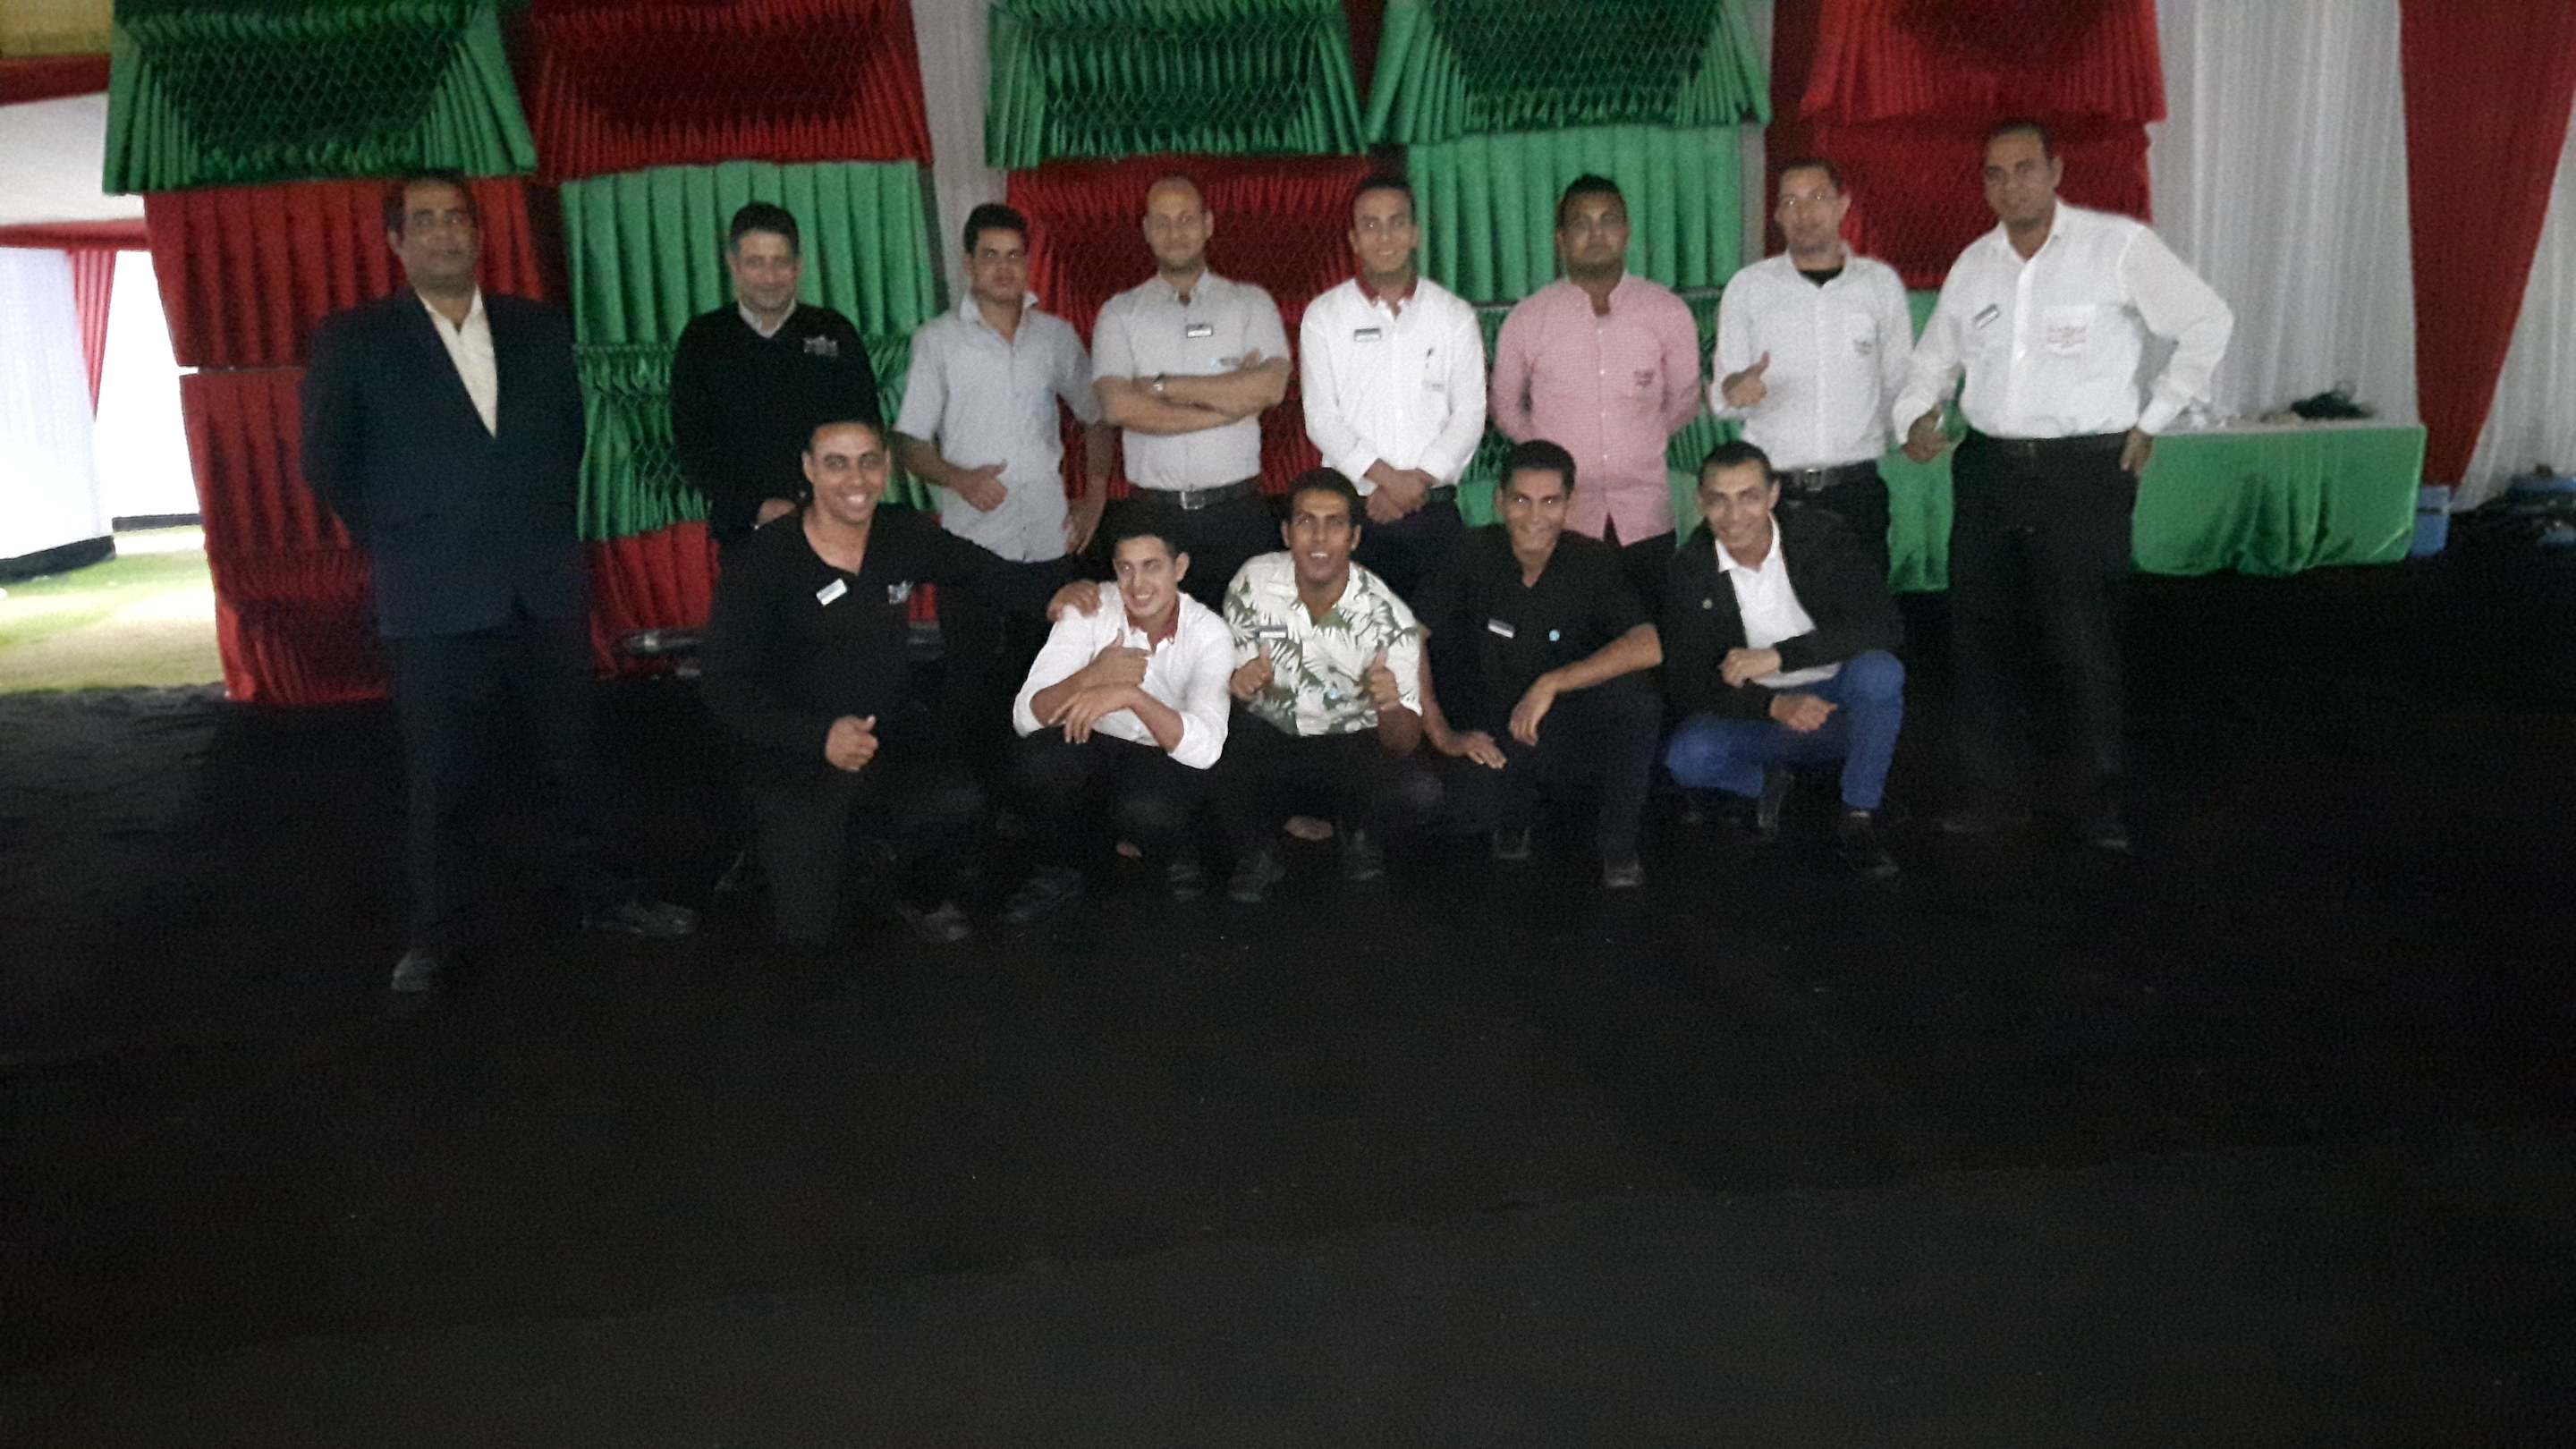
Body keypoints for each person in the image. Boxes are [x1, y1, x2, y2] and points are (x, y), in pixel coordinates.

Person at [301, 172, 695, 1004]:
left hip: (542, 586)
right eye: (425, 221)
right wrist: (413, 539)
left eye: (458, 218)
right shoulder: (355, 339)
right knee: (441, 776)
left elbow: (566, 442)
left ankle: (604, 897)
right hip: (433, 596)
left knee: (575, 759)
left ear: (480, 234)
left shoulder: (538, 329)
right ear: (396, 241)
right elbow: (329, 465)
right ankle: (437, 934)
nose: (445, 233)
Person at [1892, 120, 2233, 852]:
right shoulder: (1974, 266)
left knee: (2083, 640)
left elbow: (2208, 321)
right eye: (1995, 173)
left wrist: (2157, 415)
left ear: (2056, 171)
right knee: (1980, 637)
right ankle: (1992, 794)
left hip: (2083, 474)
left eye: (2024, 168)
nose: (2010, 185)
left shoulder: (2117, 248)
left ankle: (2096, 801)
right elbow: (1931, 365)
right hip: (1989, 470)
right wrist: (1914, 416)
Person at [699, 419, 1093, 949]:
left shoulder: (901, 532)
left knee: (957, 802)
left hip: (889, 731)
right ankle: (781, 847)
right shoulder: (765, 559)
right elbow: (724, 684)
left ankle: (912, 885)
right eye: (836, 463)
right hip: (797, 746)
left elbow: (979, 571)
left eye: (868, 461)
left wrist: (1052, 596)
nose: (855, 479)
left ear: (886, 468)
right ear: (809, 469)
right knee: (809, 931)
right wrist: (818, 737)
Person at [894, 202, 1116, 788]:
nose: (1003, 268)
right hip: (971, 548)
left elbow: (1096, 417)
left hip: (1047, 542)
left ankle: (1050, 810)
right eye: (990, 256)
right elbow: (909, 442)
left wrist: (1095, 495)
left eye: (1014, 256)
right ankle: (985, 812)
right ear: (968, 264)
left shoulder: (1056, 337)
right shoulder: (937, 342)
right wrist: (958, 478)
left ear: (1028, 263)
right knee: (973, 690)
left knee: (1050, 684)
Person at [1416, 441, 1664, 889]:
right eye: (1521, 500)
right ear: (1498, 500)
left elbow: (1648, 645)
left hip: (1566, 721)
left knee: (1637, 704)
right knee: (1466, 810)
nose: (1535, 516)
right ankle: (1517, 813)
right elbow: (1407, 638)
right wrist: (1441, 733)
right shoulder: (1471, 552)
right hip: (1495, 727)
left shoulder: (1591, 559)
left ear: (1570, 503)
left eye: (1550, 501)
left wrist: (1552, 682)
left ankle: (1618, 846)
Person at [1662, 442, 1904, 879]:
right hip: (1760, 711)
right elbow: (1688, 679)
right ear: (1699, 501)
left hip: (1836, 699)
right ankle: (1774, 787)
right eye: (1719, 500)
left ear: (1773, 494)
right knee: (1687, 757)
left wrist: (1779, 657)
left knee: (1879, 673)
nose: (1734, 516)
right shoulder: (1689, 569)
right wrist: (1773, 705)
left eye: (1749, 497)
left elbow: (1882, 625)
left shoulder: (1822, 536)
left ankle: (1859, 815)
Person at [1217, 470, 1439, 903]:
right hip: (1274, 737)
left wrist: (1391, 705)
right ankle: (1257, 852)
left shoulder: (1388, 615)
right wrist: (1237, 687)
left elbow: (1405, 741)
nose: (1319, 538)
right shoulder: (1253, 582)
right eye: (1306, 522)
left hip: (1349, 743)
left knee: (1420, 792)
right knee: (1211, 736)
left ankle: (1358, 830)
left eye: (1334, 524)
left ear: (1354, 537)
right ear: (1286, 532)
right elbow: (1225, 689)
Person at [1490, 174, 1704, 610]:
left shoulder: (1667, 312)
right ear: (1561, 239)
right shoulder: (1528, 319)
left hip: (1646, 517)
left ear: (1626, 233)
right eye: (1581, 223)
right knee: (1566, 634)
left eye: (1607, 221)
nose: (1596, 233)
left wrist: (1640, 440)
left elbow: (1683, 401)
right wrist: (1549, 454)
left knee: (1649, 634)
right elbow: (1506, 409)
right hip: (1561, 521)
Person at [1003, 523, 1234, 921]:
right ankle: (1061, 867)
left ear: (1179, 568)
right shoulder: (1089, 610)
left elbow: (1207, 750)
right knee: (1038, 760)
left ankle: (1176, 856)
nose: (1137, 584)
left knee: (1149, 809)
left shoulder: (1209, 632)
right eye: (1126, 568)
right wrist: (1090, 676)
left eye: (1151, 566)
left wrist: (1130, 696)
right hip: (1096, 741)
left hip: (1162, 755)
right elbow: (1026, 718)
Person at [1091, 174, 1293, 609]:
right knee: (1158, 645)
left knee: (1250, 640)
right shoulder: (1120, 313)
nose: (1175, 232)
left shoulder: (1250, 304)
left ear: (1208, 224)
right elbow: (1119, 406)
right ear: (1147, 231)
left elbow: (1271, 387)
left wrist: (1163, 387)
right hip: (1153, 520)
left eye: (1186, 219)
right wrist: (1230, 404)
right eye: (1162, 222)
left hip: (1238, 515)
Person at [1709, 158, 1914, 578]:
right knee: (1776, 614)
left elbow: (1899, 386)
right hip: (1773, 497)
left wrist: (1920, 425)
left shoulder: (1879, 285)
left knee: (1859, 614)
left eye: (1818, 197)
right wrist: (1735, 388)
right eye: (1791, 202)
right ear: (1777, 215)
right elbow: (1722, 398)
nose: (1804, 213)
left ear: (1842, 205)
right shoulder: (1749, 287)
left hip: (1856, 493)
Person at [1298, 174, 1487, 601]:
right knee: (1359, 638)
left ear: (1415, 233)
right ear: (1353, 238)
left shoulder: (1453, 316)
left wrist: (1414, 483)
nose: (1384, 237)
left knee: (1442, 636)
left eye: (1396, 223)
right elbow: (1322, 419)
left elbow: (1470, 415)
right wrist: (1385, 479)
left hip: (1435, 512)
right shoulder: (1324, 316)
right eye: (1370, 225)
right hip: (1358, 517)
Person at [669, 202, 881, 544]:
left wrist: (827, 503)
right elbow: (692, 444)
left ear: (798, 265)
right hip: (746, 534)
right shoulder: (703, 339)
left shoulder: (834, 331)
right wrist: (756, 507)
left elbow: (865, 426)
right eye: (755, 263)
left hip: (837, 525)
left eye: (780, 262)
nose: (769, 278)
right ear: (733, 264)